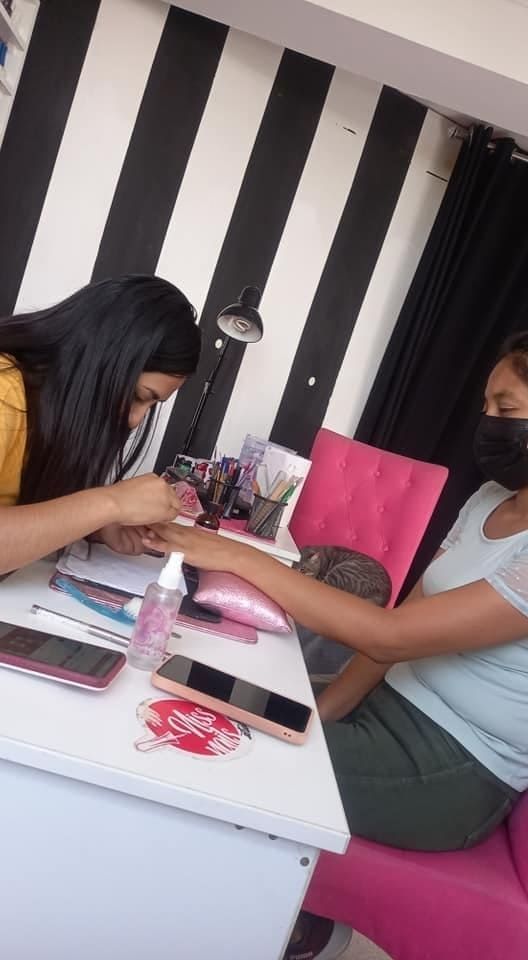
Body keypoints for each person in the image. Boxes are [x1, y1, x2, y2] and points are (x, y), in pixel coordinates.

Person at [144, 333, 528, 960]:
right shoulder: (488, 500)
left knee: (225, 749)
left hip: (453, 768)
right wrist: (320, 711)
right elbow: (409, 623)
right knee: (202, 690)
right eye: (488, 406)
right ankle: (284, 924)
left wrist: (237, 555)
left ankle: (260, 928)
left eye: (508, 410)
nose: (489, 424)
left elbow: (388, 632)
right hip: (389, 708)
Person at [0, 275, 201, 576]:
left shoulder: (45, 411)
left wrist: (97, 526)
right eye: (137, 396)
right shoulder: (5, 390)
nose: (135, 420)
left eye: (150, 406)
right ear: (101, 359)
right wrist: (110, 503)